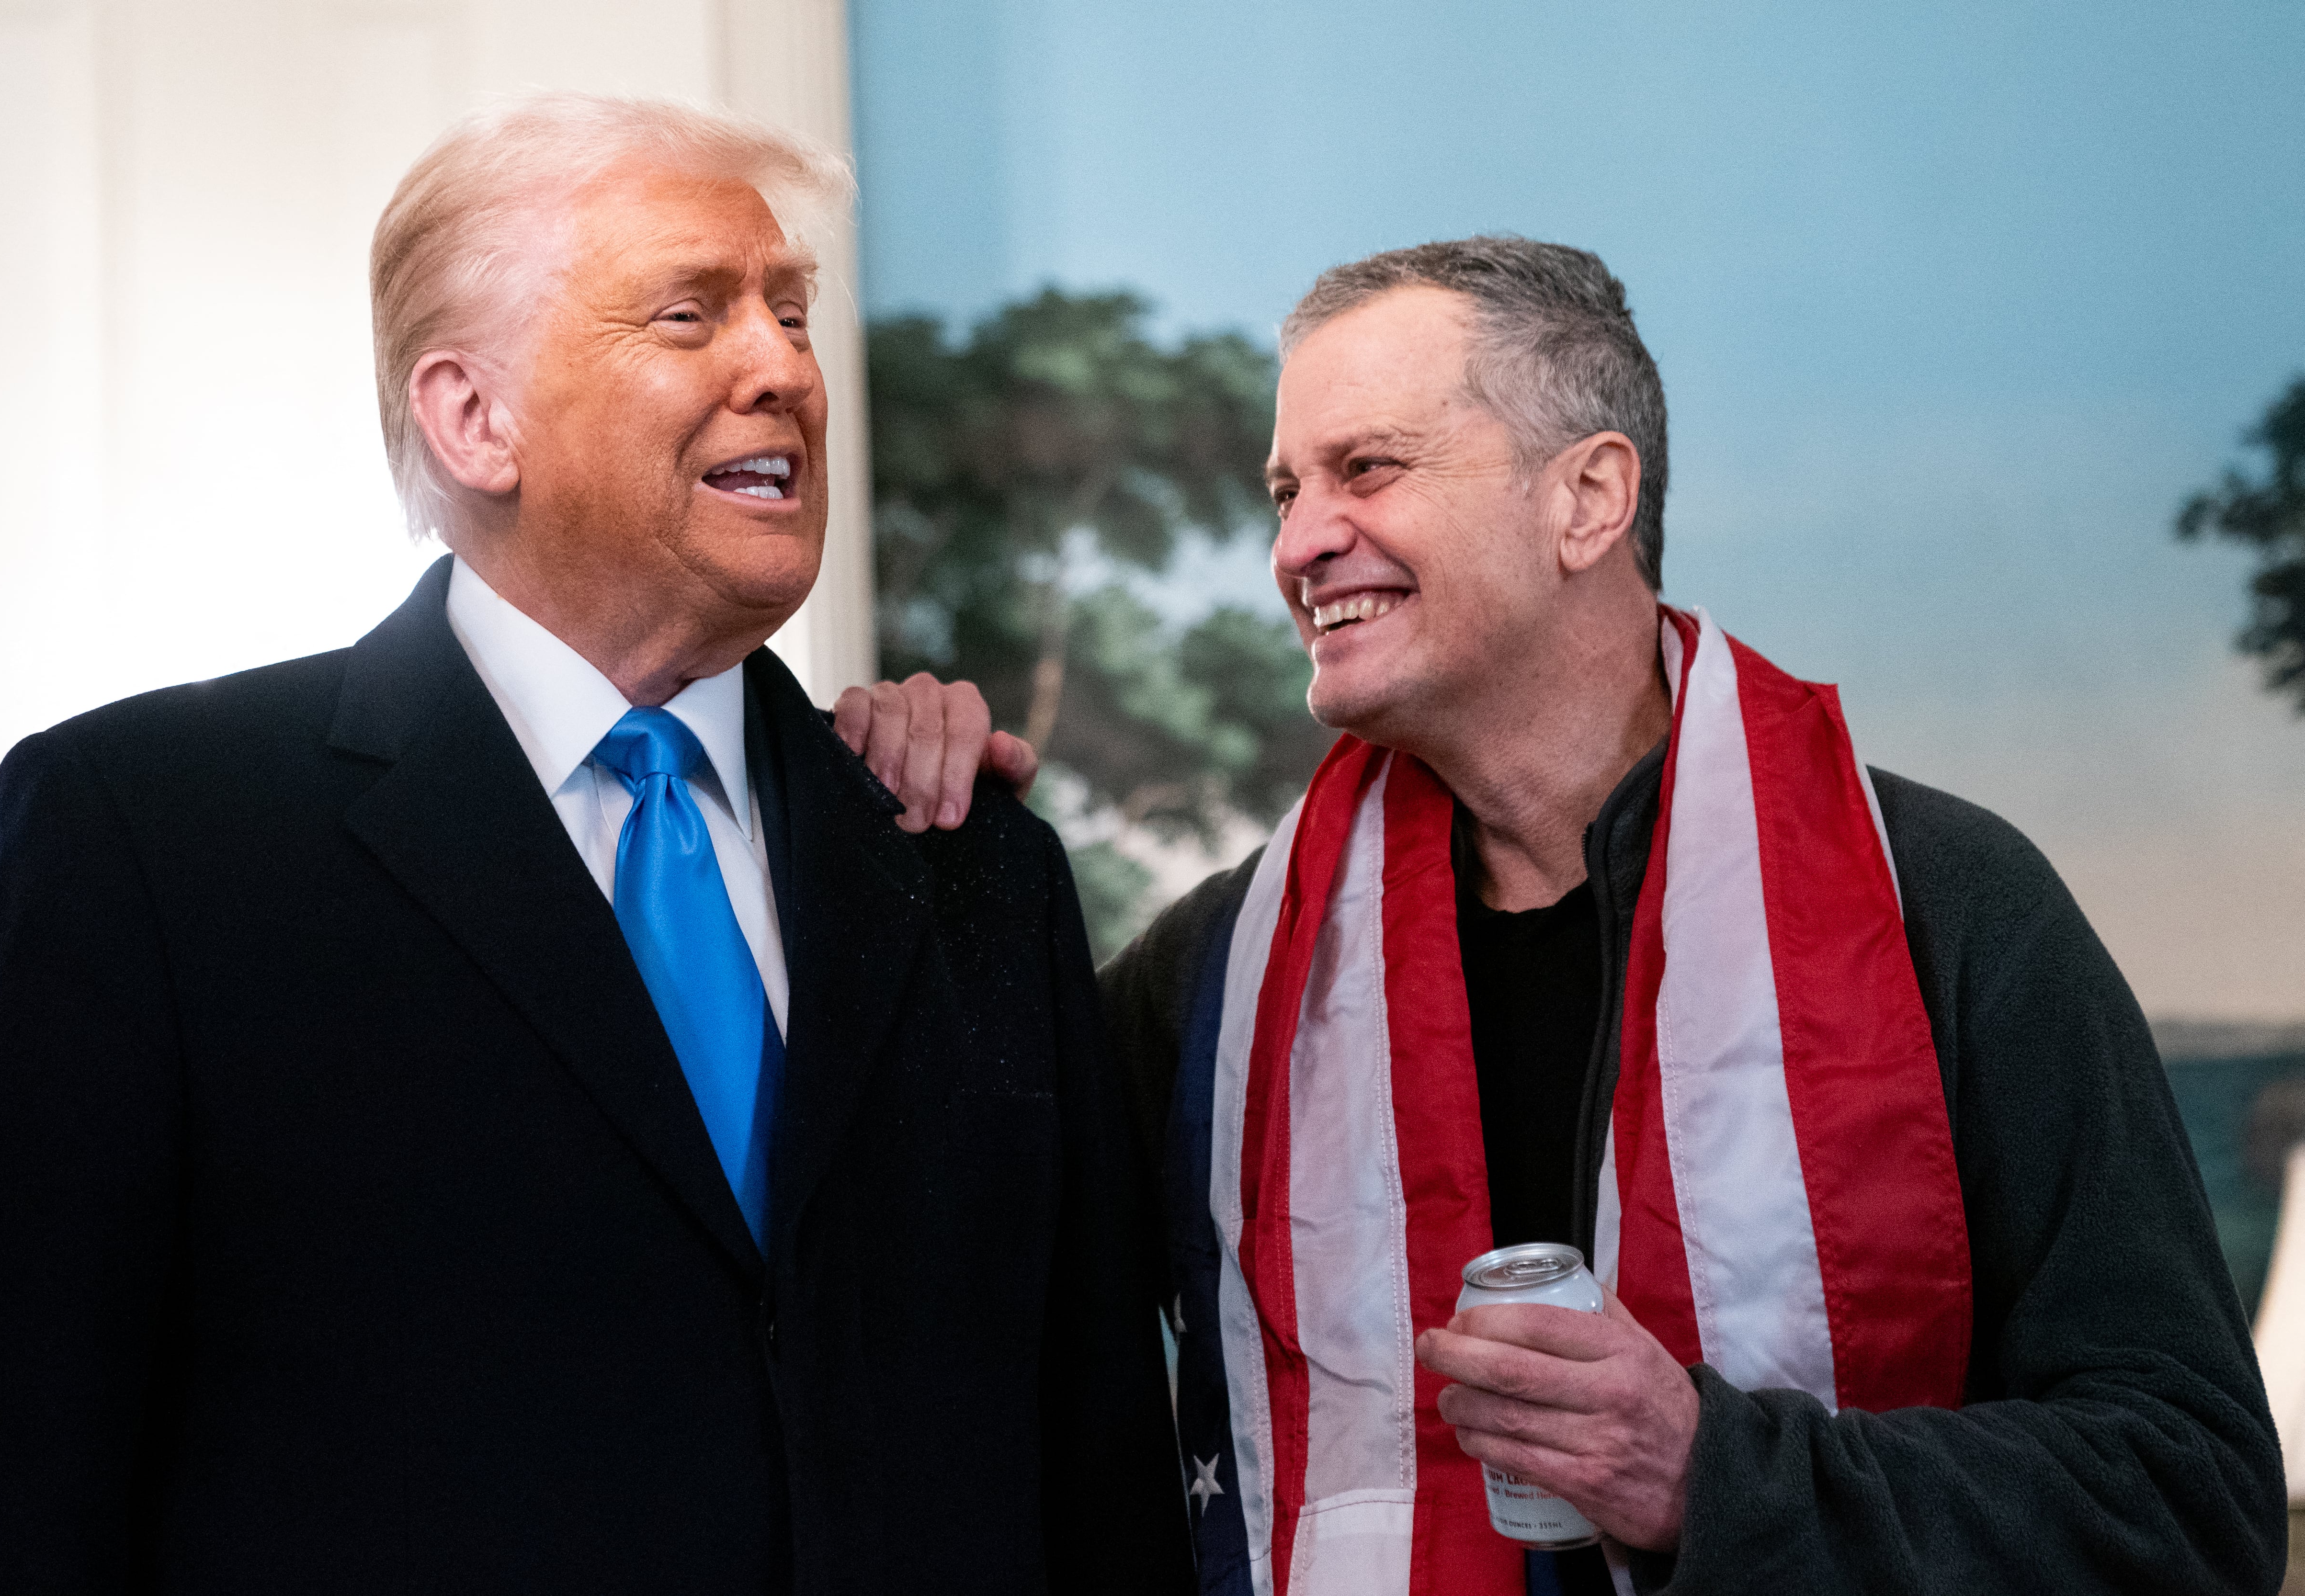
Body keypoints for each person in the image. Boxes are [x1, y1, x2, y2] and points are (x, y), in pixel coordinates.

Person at [839, 236, 2287, 1594]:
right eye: (1286, 493)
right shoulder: (1218, 980)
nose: (1300, 545)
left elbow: (2191, 1496)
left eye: (1368, 469)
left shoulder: (1946, 907)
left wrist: (1718, 1477)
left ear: (1588, 500)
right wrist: (911, 856)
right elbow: (925, 1308)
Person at [0, 93, 1189, 1595]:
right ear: (474, 419)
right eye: (689, 314)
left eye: (790, 312)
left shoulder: (970, 861)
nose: (784, 368)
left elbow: (1099, 1477)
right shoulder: (144, 837)